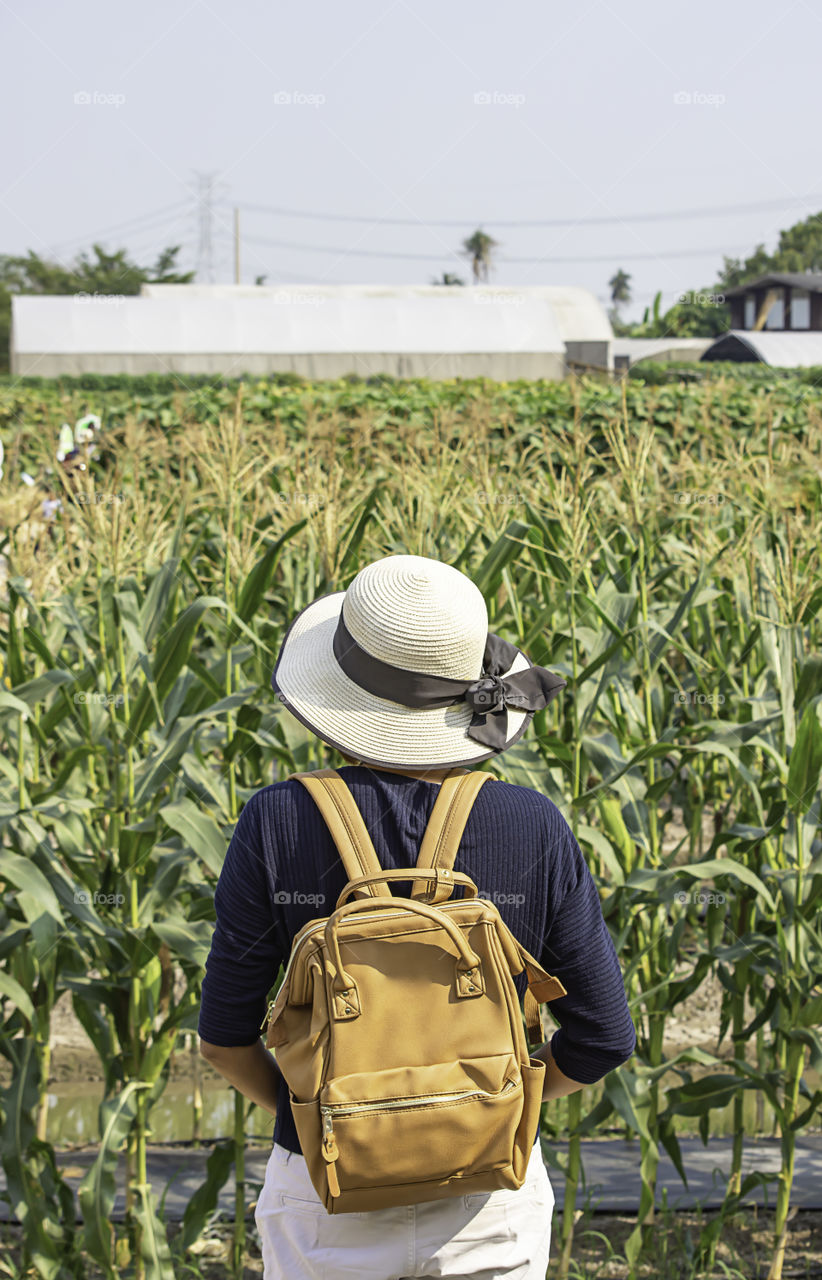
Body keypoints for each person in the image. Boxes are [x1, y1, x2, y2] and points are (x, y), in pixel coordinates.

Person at [198, 553, 636, 1280]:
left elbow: (223, 1040)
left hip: (322, 1193)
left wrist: (317, 1114)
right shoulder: (532, 824)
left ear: (336, 699)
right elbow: (605, 1039)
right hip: (488, 1195)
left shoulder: (274, 821)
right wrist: (497, 1104)